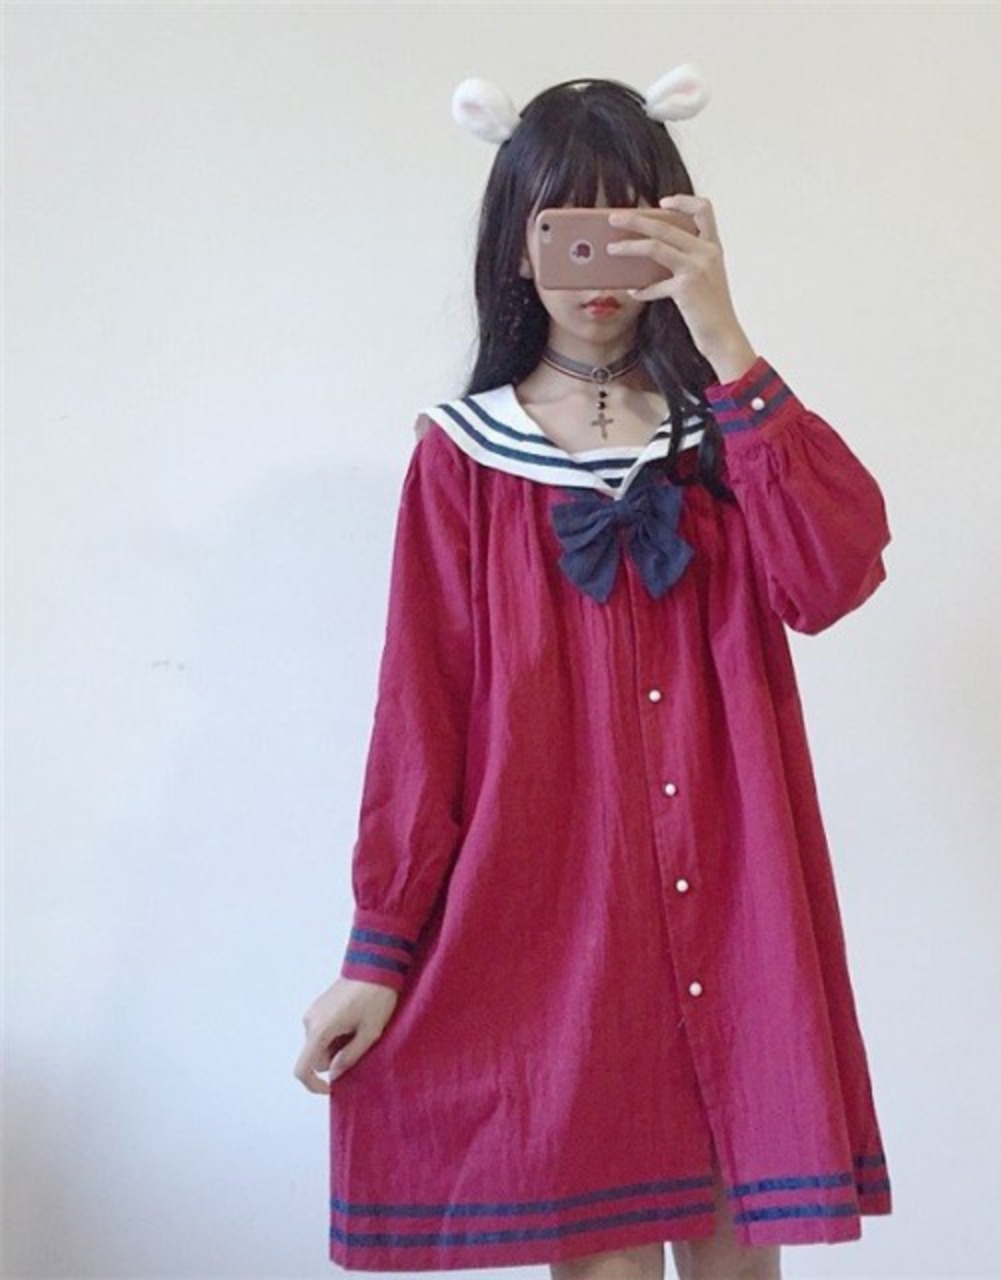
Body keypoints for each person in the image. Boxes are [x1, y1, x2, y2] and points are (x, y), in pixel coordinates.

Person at [294, 63, 895, 1280]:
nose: (596, 266)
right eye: (566, 226)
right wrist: (378, 950)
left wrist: (724, 337)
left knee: (738, 1251)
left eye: (630, 224)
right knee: (602, 1263)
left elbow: (831, 576)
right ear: (517, 246)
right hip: (556, 921)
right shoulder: (465, 462)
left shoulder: (729, 440)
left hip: (738, 902)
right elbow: (421, 716)